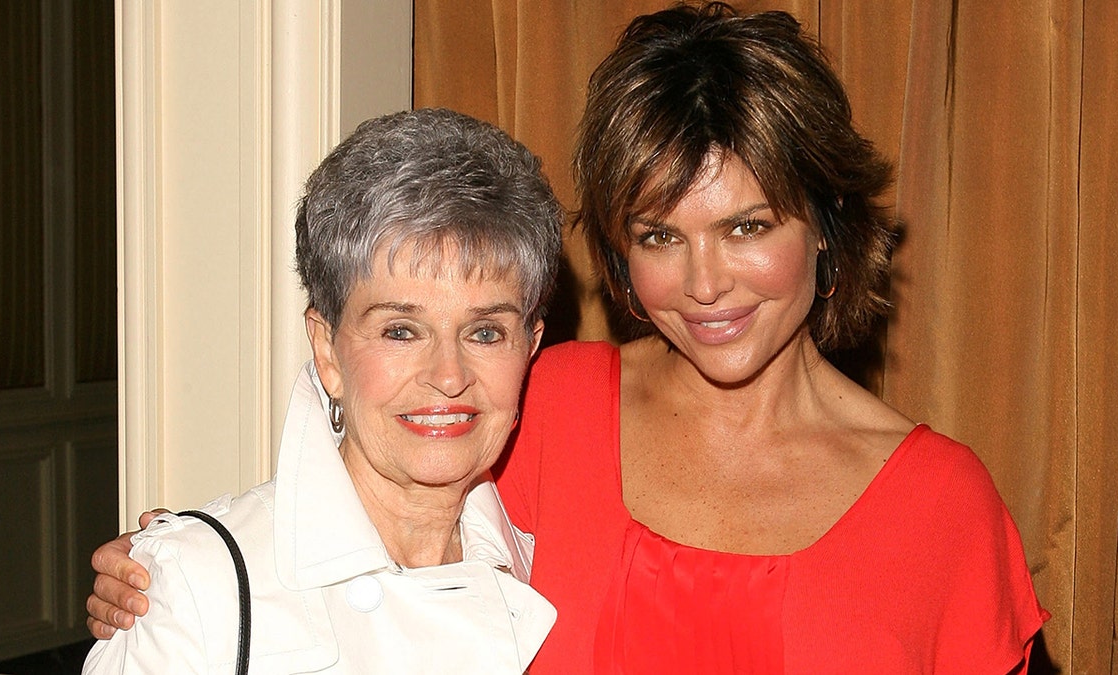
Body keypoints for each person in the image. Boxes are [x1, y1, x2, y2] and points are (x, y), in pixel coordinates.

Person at [87, 4, 1048, 673]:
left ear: (826, 224)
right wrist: (182, 573)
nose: (704, 281)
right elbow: (364, 510)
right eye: (660, 235)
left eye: (748, 226)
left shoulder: (942, 507)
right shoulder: (552, 402)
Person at [82, 107, 561, 673]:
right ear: (328, 349)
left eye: (485, 332)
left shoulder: (552, 571)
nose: (449, 375)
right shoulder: (199, 587)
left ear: (529, 347)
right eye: (400, 330)